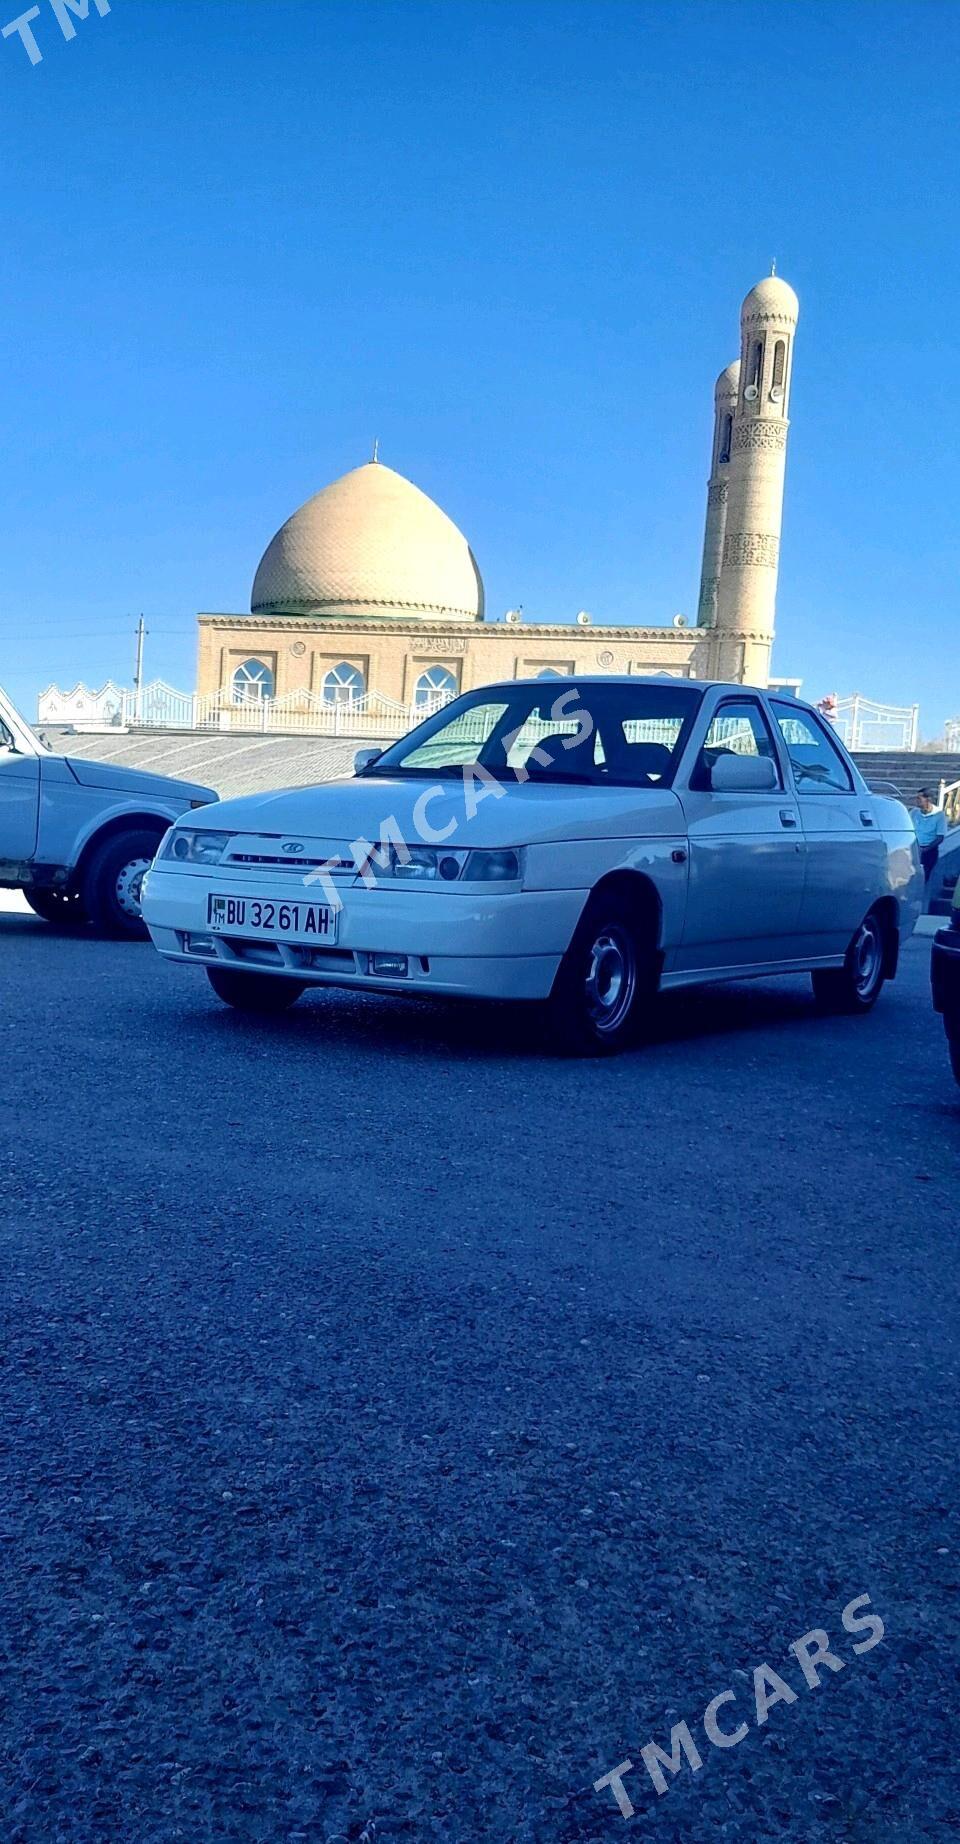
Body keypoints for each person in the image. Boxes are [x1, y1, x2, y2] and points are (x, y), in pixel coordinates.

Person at [911, 787, 947, 883]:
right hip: (914, 848)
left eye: (919, 798)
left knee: (924, 878)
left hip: (929, 851)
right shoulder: (914, 812)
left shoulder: (939, 815)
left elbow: (940, 837)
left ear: (928, 800)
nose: (917, 801)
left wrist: (924, 849)